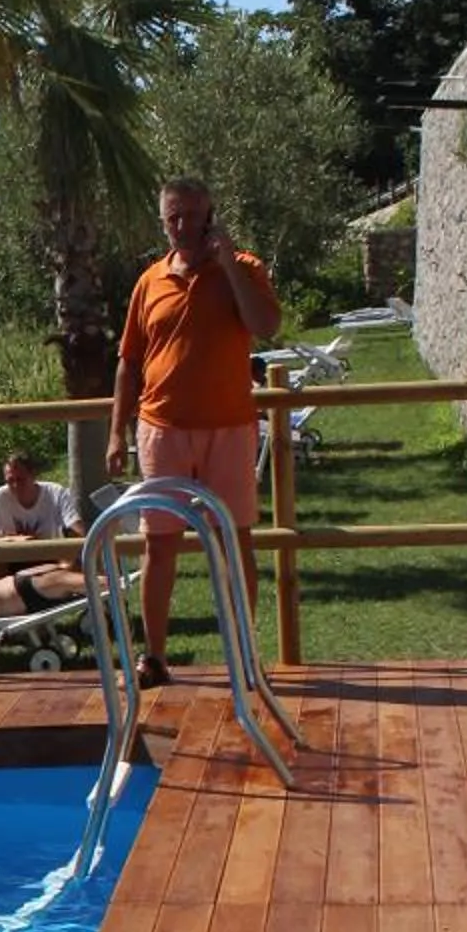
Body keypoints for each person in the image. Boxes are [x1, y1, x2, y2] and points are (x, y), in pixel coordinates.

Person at [106, 178, 280, 686]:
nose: (182, 227)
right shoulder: (149, 281)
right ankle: (153, 657)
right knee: (158, 545)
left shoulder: (244, 268)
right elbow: (129, 362)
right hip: (162, 429)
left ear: (211, 216)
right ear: (163, 221)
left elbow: (266, 325)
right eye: (173, 217)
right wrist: (117, 433)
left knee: (234, 540)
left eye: (191, 216)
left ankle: (245, 654)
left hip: (228, 428)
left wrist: (227, 263)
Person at [0, 453, 79, 545]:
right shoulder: (1, 496)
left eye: (20, 480)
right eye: (10, 481)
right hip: (12, 559)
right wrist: (14, 540)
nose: (15, 485)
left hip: (49, 557)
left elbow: (77, 528)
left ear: (33, 475)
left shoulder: (55, 493)